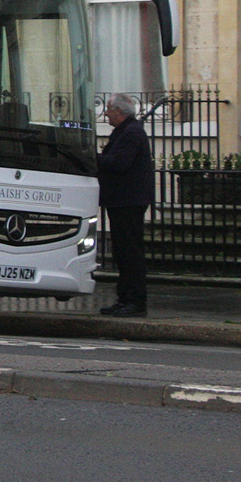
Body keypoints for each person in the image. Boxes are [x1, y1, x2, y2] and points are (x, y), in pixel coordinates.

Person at [96, 93, 154, 316]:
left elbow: (120, 163)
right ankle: (124, 298)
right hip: (122, 200)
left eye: (109, 109)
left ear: (119, 112)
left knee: (130, 252)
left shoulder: (131, 133)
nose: (107, 113)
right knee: (122, 252)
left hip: (129, 200)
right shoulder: (125, 131)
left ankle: (135, 301)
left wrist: (93, 158)